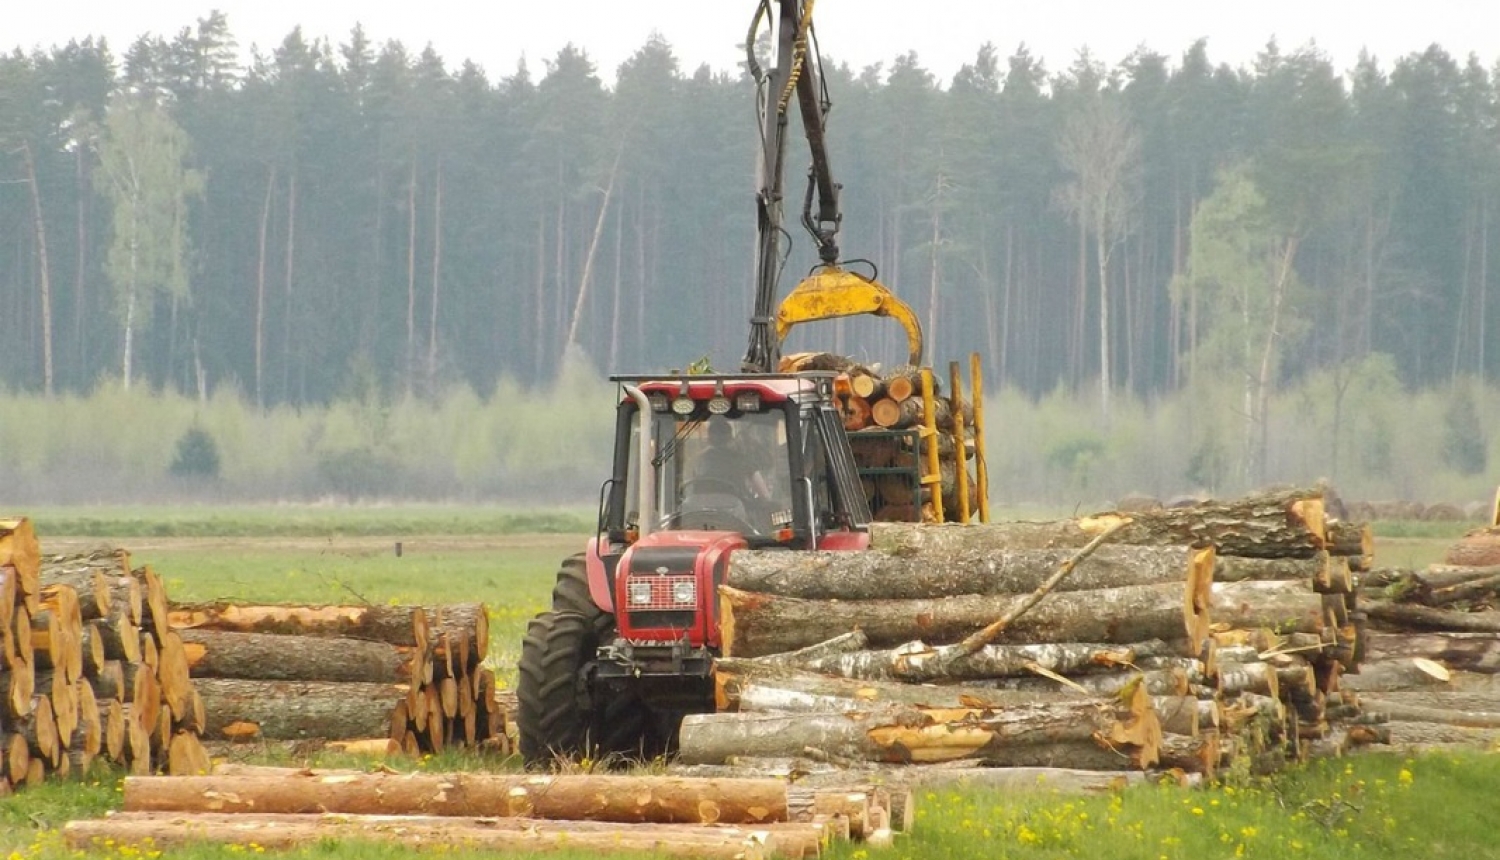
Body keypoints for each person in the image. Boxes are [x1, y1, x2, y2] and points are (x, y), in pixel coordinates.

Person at [692, 418, 771, 500]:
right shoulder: (742, 459)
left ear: (709, 440)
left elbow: (694, 491)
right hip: (739, 509)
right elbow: (764, 494)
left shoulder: (699, 462)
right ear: (730, 438)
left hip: (704, 510)